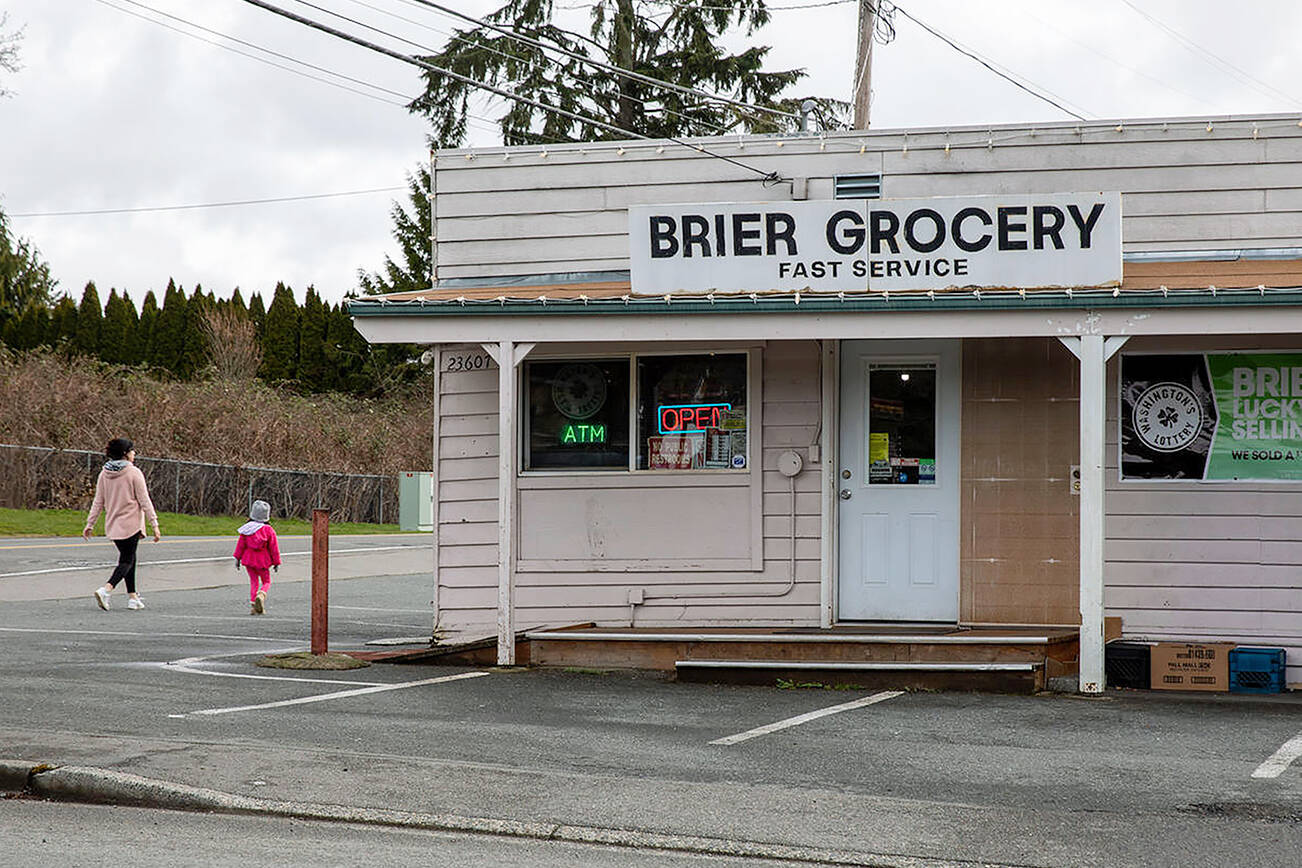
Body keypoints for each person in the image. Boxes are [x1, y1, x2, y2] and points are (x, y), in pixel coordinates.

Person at [84, 437, 161, 611]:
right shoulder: (134, 473)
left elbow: (98, 501)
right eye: (132, 451)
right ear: (125, 454)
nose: (134, 454)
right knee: (126, 560)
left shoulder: (104, 473)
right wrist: (154, 524)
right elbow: (144, 500)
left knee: (130, 559)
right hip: (131, 523)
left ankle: (133, 597)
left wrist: (90, 523)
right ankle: (106, 589)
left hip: (113, 524)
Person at [233, 499, 280, 615]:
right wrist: (276, 562)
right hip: (262, 559)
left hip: (248, 558)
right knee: (266, 581)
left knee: (253, 581)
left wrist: (237, 558)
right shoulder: (269, 530)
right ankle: (262, 594)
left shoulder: (246, 529)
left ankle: (254, 605)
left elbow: (241, 545)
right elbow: (273, 548)